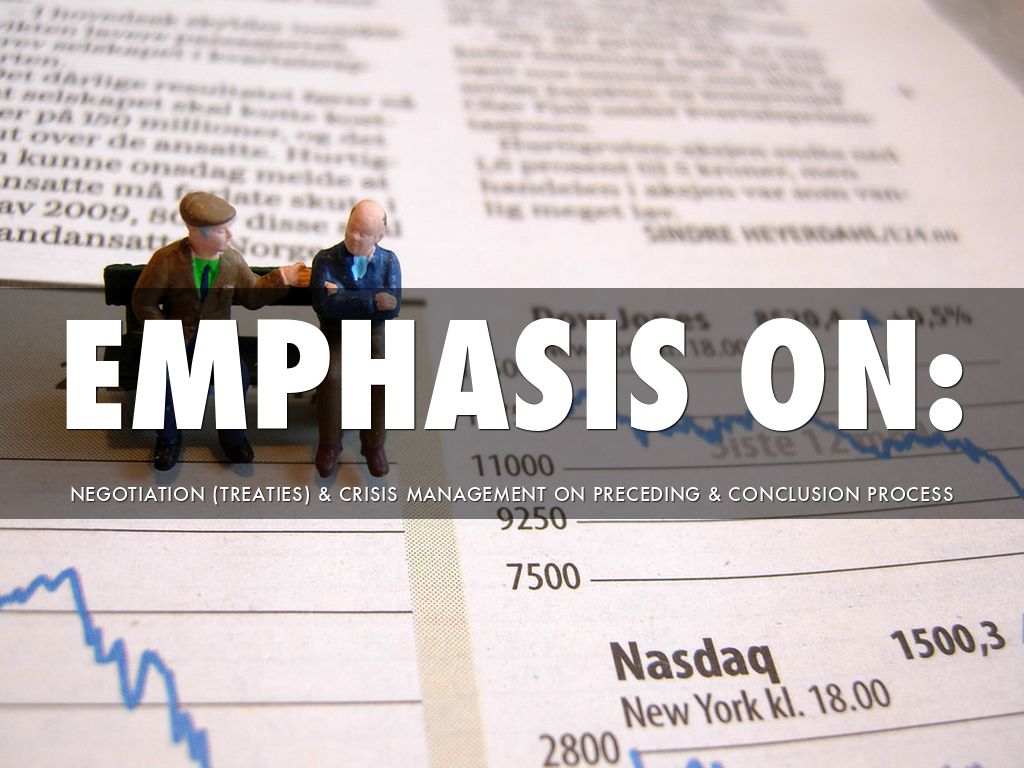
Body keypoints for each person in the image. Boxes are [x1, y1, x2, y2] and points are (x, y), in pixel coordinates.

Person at [132, 191, 310, 471]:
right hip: (178, 335)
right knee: (164, 379)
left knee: (236, 377)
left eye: (228, 228)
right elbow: (144, 302)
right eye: (220, 230)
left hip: (217, 339)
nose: (229, 235)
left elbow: (251, 295)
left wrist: (282, 277)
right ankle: (168, 438)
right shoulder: (166, 261)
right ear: (196, 232)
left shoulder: (232, 262)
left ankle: (232, 438)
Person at [311, 200, 401, 478]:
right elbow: (324, 306)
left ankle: (373, 445)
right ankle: (330, 444)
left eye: (363, 233)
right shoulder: (326, 259)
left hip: (370, 336)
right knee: (330, 376)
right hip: (335, 334)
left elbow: (393, 308)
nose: (353, 237)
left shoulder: (389, 262)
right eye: (351, 229)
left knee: (381, 377)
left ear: (379, 236)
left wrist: (342, 296)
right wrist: (372, 301)